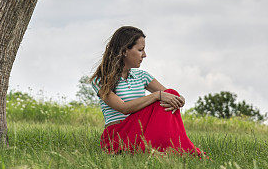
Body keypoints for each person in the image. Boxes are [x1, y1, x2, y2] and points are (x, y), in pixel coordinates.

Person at [89, 26, 208, 157]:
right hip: (117, 135)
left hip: (140, 131)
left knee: (171, 93)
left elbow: (169, 95)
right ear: (124, 51)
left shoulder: (142, 76)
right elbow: (123, 108)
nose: (144, 55)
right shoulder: (101, 79)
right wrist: (156, 95)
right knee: (162, 97)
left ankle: (169, 148)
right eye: (140, 50)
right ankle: (178, 149)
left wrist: (180, 100)